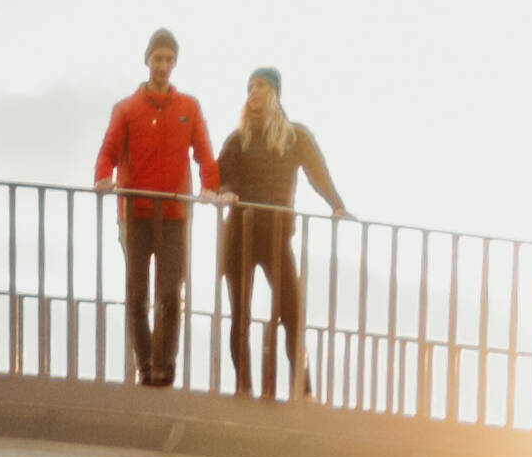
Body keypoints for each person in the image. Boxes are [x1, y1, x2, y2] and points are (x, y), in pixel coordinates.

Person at [86, 30, 212, 388]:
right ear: (147, 60)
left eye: (169, 59)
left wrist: (211, 185)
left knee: (171, 293)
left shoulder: (189, 107)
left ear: (175, 63)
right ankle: (146, 365)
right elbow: (108, 151)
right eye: (158, 58)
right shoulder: (126, 108)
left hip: (174, 216)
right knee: (138, 294)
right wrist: (102, 177)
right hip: (135, 214)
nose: (163, 66)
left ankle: (164, 367)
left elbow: (203, 151)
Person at [216, 68, 345, 398]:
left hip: (277, 236)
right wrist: (226, 192)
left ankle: (304, 391)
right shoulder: (238, 138)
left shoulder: (295, 136)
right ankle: (244, 386)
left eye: (259, 85)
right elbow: (221, 176)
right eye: (249, 87)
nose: (252, 92)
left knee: (292, 311)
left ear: (274, 92)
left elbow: (319, 172)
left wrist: (337, 204)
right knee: (240, 314)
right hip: (241, 235)